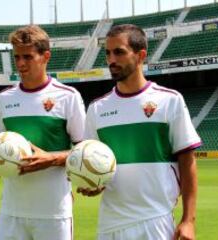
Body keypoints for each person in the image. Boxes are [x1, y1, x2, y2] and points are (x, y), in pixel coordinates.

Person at [78, 24, 202, 240]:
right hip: (110, 226)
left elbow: (188, 160)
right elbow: (94, 163)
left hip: (154, 222)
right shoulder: (97, 108)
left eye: (119, 52)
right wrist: (93, 183)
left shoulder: (169, 100)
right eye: (107, 53)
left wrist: (188, 220)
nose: (111, 60)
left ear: (141, 55)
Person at [0, 25, 86, 240]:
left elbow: (85, 152)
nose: (20, 63)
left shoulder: (68, 96)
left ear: (46, 57)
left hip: (53, 212)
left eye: (28, 57)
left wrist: (51, 158)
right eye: (17, 57)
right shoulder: (4, 99)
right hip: (11, 211)